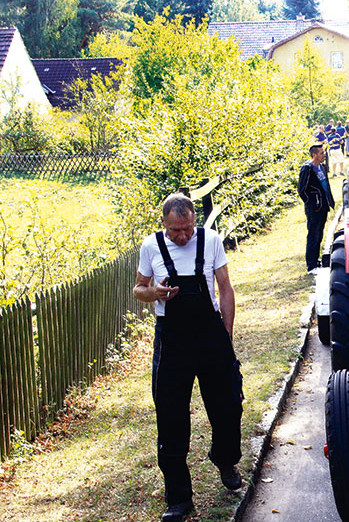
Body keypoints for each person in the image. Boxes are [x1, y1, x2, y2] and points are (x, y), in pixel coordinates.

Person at [133, 193, 243, 521]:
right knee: (171, 417)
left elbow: (225, 288)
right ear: (163, 224)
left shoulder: (210, 240)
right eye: (175, 230)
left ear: (195, 220)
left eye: (187, 229)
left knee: (227, 406)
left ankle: (225, 458)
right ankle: (178, 499)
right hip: (173, 340)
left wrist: (225, 334)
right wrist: (154, 293)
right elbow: (139, 288)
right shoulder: (150, 246)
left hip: (210, 334)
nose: (182, 236)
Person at [298, 144, 335, 275]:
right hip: (314, 208)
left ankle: (316, 260)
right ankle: (311, 265)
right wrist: (312, 203)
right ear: (314, 155)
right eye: (321, 153)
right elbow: (301, 190)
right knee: (313, 235)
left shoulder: (322, 167)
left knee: (319, 234)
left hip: (323, 206)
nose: (323, 155)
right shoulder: (307, 169)